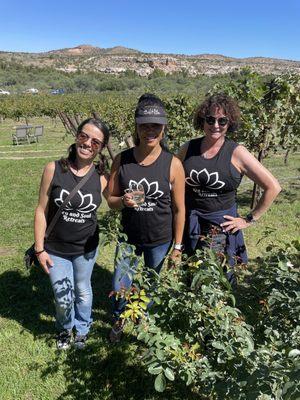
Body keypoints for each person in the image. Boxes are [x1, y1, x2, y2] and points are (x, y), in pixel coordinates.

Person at [178, 93, 281, 284]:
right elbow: (171, 178)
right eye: (210, 119)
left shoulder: (237, 152)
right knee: (191, 273)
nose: (215, 125)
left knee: (218, 275)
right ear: (202, 120)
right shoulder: (188, 148)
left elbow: (273, 187)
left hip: (220, 227)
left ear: (229, 123)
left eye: (222, 120)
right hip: (191, 223)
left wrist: (249, 219)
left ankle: (218, 313)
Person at [107, 94, 185, 342]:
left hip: (160, 239)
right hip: (128, 238)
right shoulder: (123, 160)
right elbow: (110, 200)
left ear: (164, 128)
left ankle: (144, 323)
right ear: (136, 127)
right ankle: (119, 319)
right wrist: (123, 202)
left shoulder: (172, 164)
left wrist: (178, 247)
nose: (150, 130)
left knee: (151, 284)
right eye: (144, 125)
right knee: (121, 281)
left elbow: (179, 209)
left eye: (156, 125)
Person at [34, 118, 110, 350]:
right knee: (63, 296)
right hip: (56, 248)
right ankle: (65, 328)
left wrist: (133, 199)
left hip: (85, 249)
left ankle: (83, 329)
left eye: (96, 142)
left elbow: (115, 202)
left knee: (83, 290)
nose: (88, 144)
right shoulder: (53, 169)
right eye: (84, 136)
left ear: (101, 148)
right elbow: (41, 210)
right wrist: (39, 249)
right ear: (76, 136)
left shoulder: (101, 177)